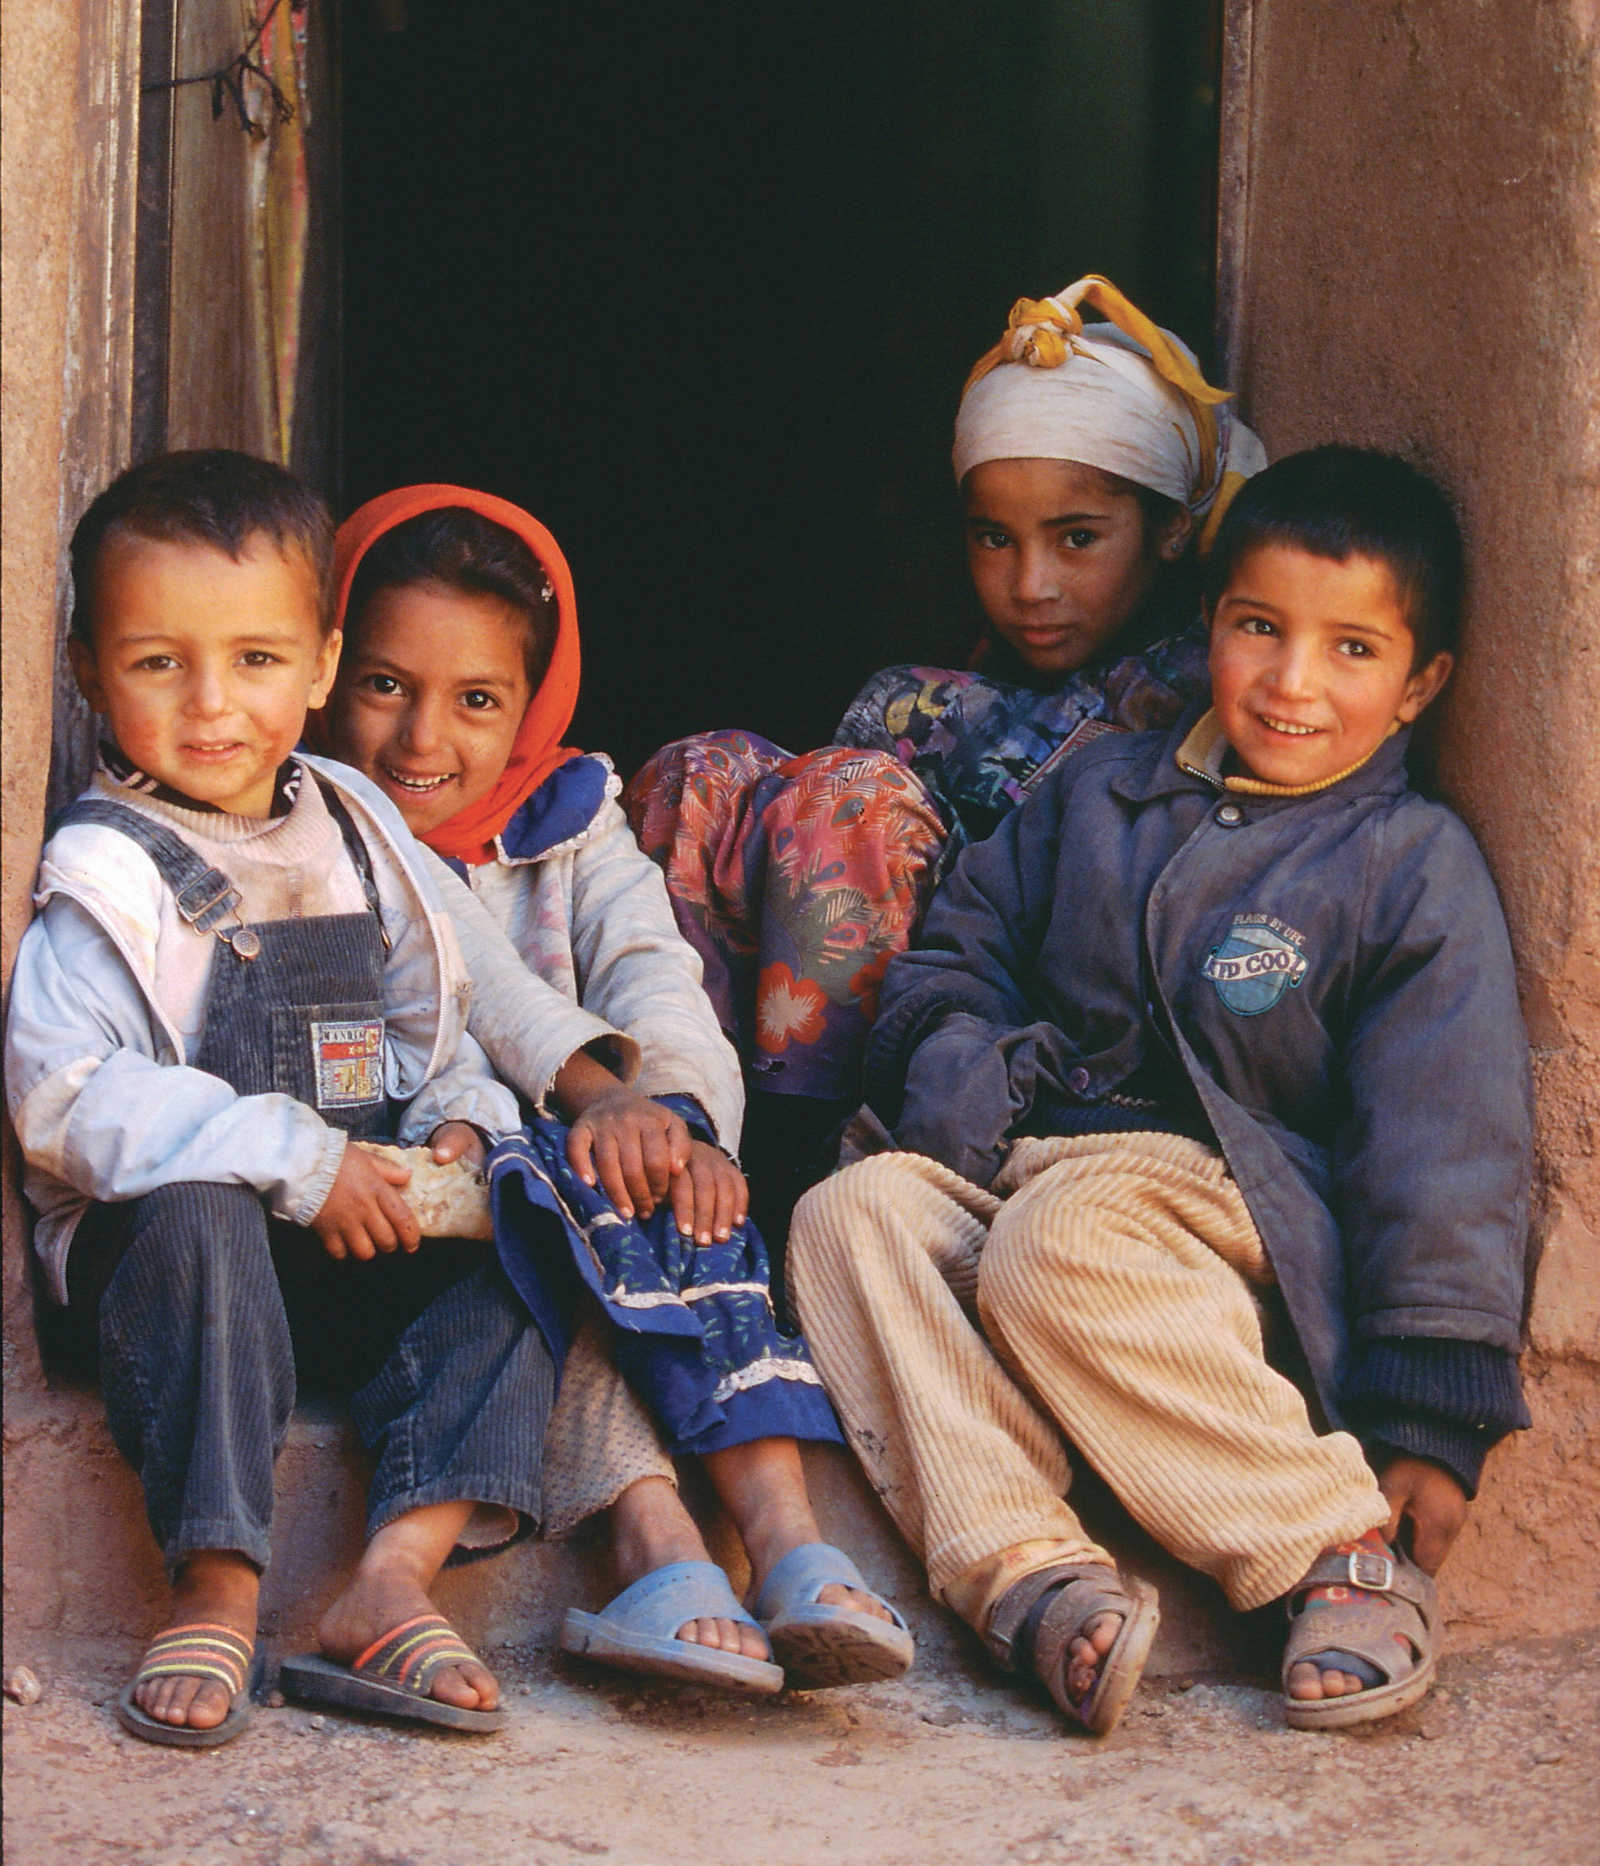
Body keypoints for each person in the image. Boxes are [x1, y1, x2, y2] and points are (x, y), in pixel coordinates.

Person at [787, 447, 1532, 1736]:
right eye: (1260, 627)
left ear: (1421, 685)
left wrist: (1434, 1411)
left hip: (1223, 1228)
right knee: (846, 1214)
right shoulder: (1097, 787)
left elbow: (1447, 1142)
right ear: (1211, 627)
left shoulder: (1407, 866)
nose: (1294, 680)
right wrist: (980, 1068)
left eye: (1352, 649)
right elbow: (950, 961)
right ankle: (1031, 1574)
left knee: (1056, 1242)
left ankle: (1327, 1546)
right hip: (1028, 1175)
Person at [4, 450, 674, 1744]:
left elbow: (430, 1026)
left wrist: (459, 1122)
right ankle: (217, 1578)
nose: (212, 705)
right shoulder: (104, 869)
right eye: (158, 663)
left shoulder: (355, 818)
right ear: (89, 670)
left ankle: (390, 1575)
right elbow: (66, 1097)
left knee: (523, 1226)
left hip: (353, 1235)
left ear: (316, 664)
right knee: (195, 1209)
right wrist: (294, 1159)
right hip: (180, 1275)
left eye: (256, 661)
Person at [321, 483, 912, 1694]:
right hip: (432, 1182)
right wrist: (594, 1098)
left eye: (478, 699)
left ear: (533, 702)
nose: (423, 738)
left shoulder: (572, 817)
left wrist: (682, 1120)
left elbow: (657, 972)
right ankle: (657, 1535)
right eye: (384, 683)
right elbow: (474, 977)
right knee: (577, 1197)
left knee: (681, 1188)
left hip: (589, 1156)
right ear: (326, 665)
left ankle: (786, 1536)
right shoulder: (320, 820)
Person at [628, 276, 1267, 1249]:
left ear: (1173, 525)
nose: (1030, 584)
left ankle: (789, 1193)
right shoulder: (955, 688)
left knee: (850, 800)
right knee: (702, 770)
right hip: (900, 963)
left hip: (1004, 1016)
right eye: (992, 538)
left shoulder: (1197, 684)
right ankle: (676, 1134)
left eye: (1078, 538)